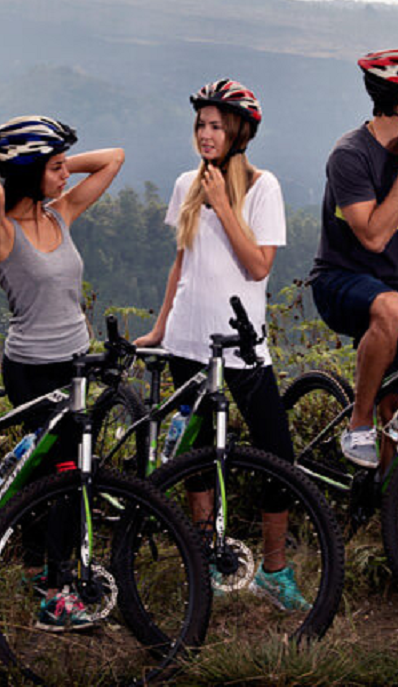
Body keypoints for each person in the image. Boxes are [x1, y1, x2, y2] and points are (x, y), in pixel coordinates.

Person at [133, 78, 307, 611]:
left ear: (239, 133)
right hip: (188, 337)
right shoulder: (185, 182)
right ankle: (208, 559)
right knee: (198, 453)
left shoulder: (262, 186)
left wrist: (222, 205)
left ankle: (274, 571)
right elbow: (181, 262)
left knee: (278, 454)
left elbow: (258, 267)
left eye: (216, 126)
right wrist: (161, 328)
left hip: (241, 341)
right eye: (201, 125)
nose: (205, 134)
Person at [0, 114, 123, 631]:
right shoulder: (0, 232)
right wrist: (23, 166)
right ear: (28, 171)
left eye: (64, 167)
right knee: (64, 476)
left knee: (58, 474)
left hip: (77, 363)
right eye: (55, 167)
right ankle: (57, 595)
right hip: (33, 369)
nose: (65, 175)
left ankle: (39, 568)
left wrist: (54, 164)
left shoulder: (61, 213)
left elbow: (114, 159)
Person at [309, 49, 398, 469]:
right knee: (391, 307)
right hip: (339, 282)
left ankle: (386, 496)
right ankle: (358, 422)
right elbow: (372, 237)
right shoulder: (350, 155)